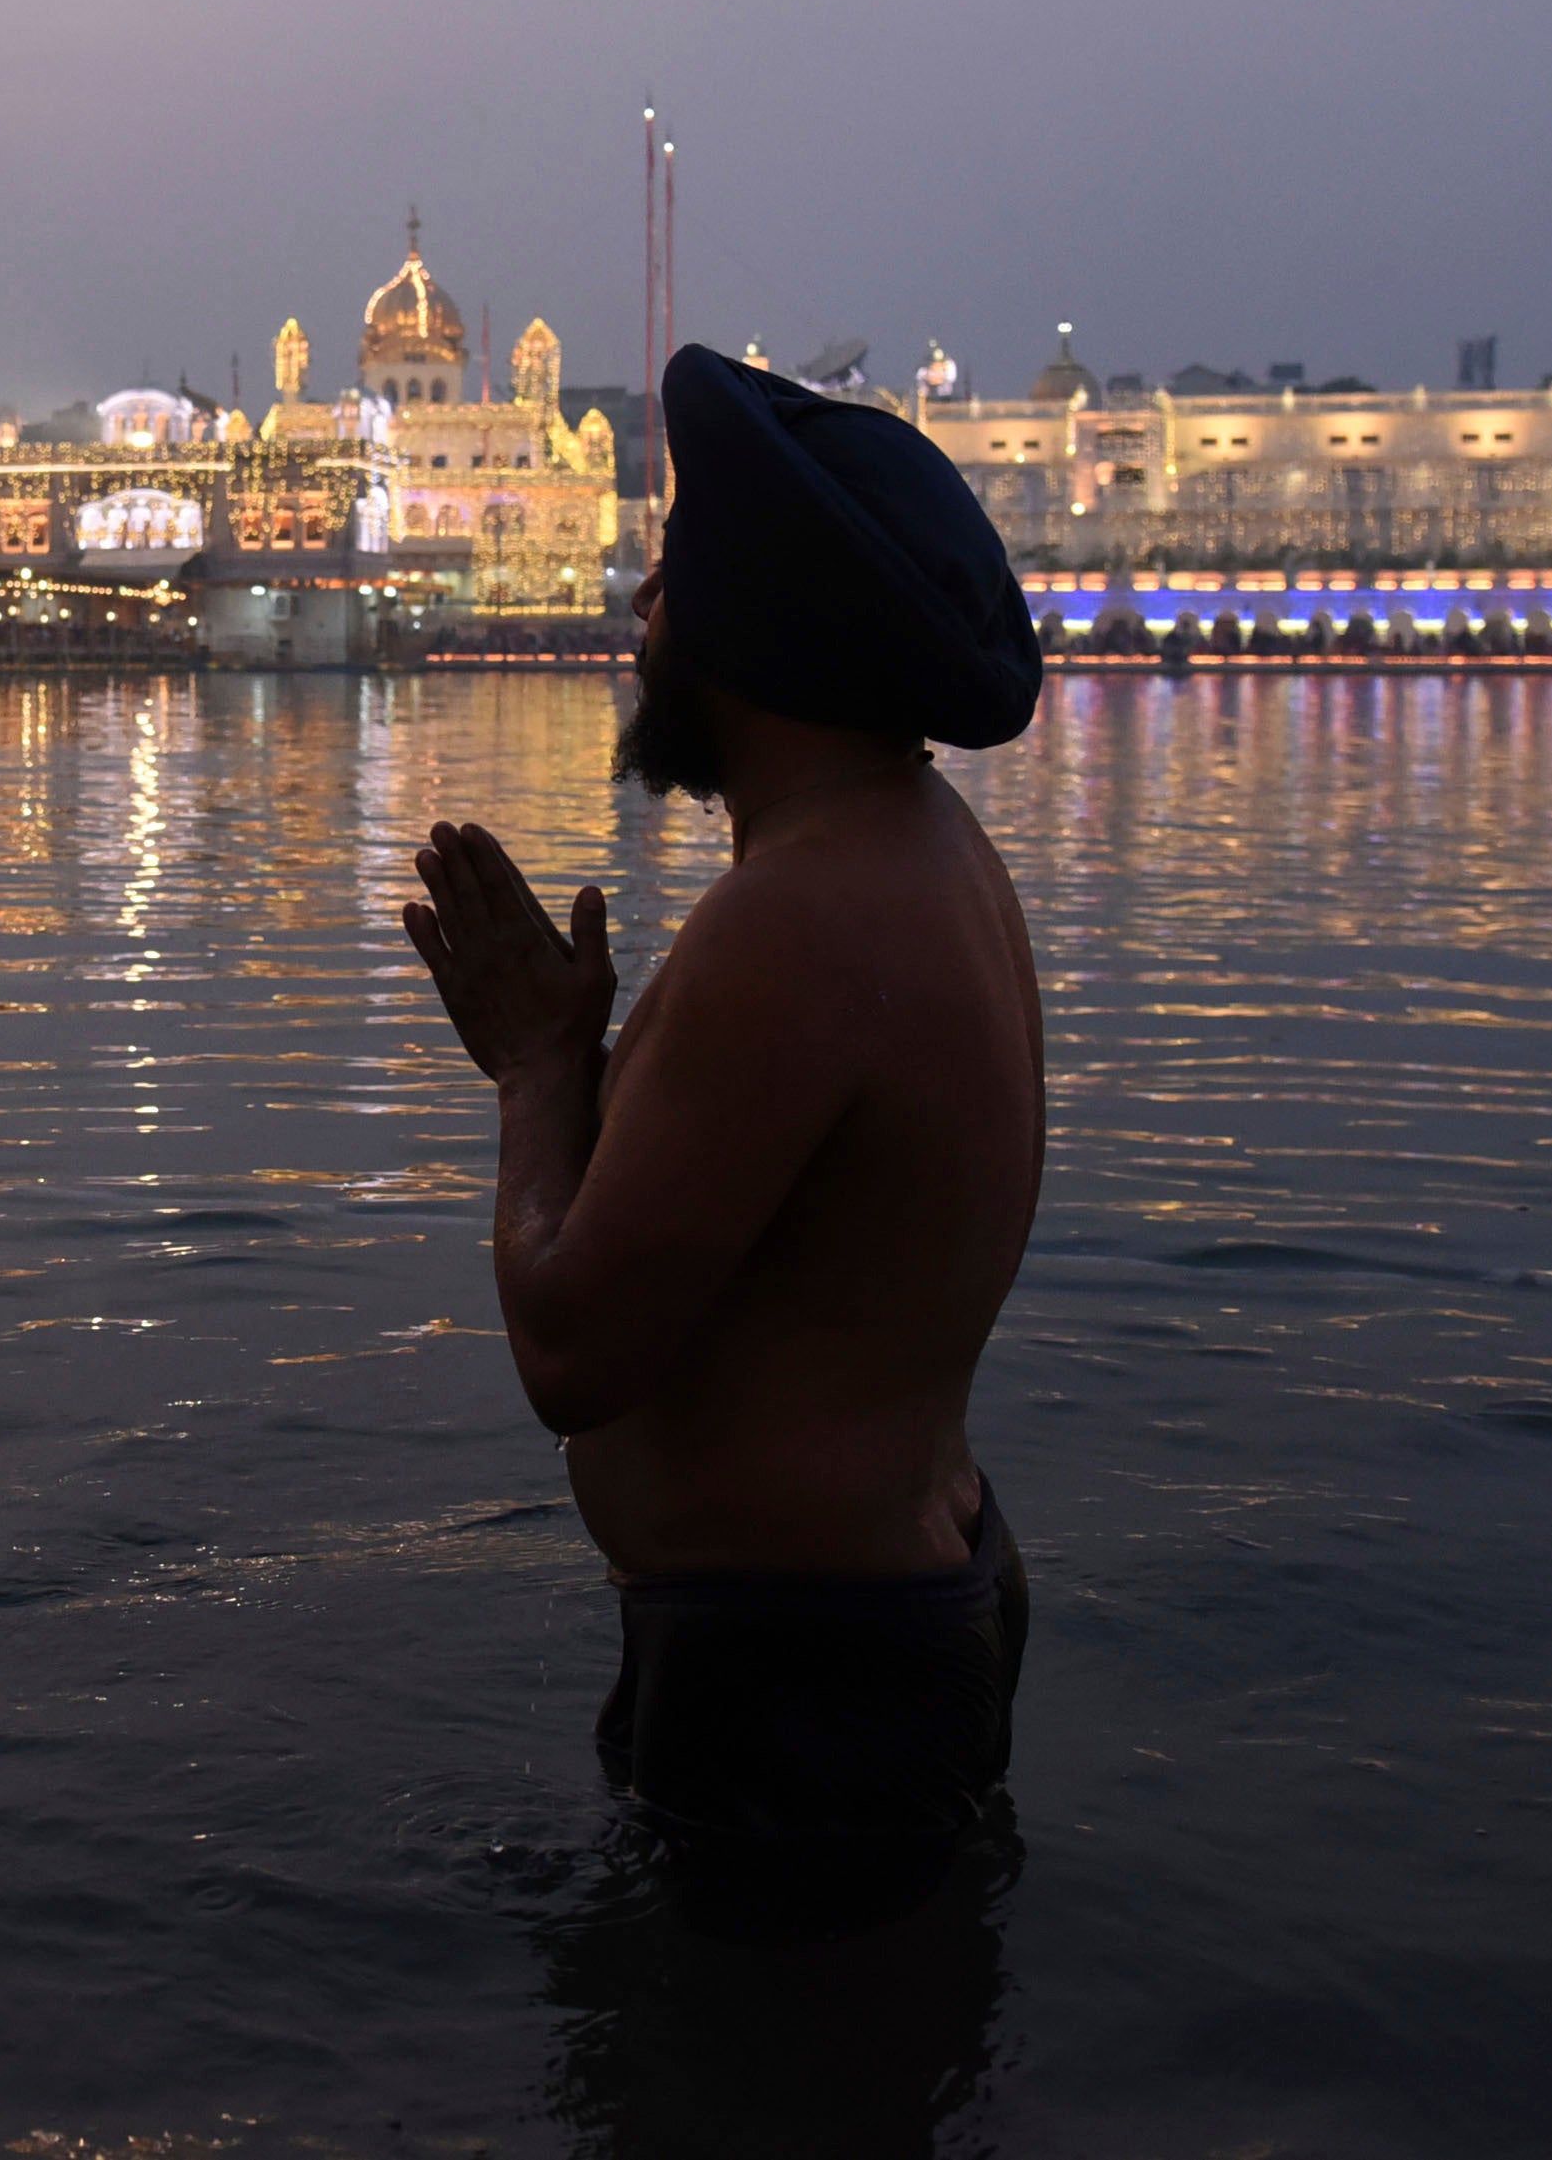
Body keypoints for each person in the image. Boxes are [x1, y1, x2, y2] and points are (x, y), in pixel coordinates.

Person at [402, 343, 1047, 1932]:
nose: (640, 612)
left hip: (808, 1681)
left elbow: (571, 1349)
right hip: (865, 1624)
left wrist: (539, 1070)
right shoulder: (920, 857)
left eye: (676, 577)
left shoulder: (803, 923)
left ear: (760, 628)